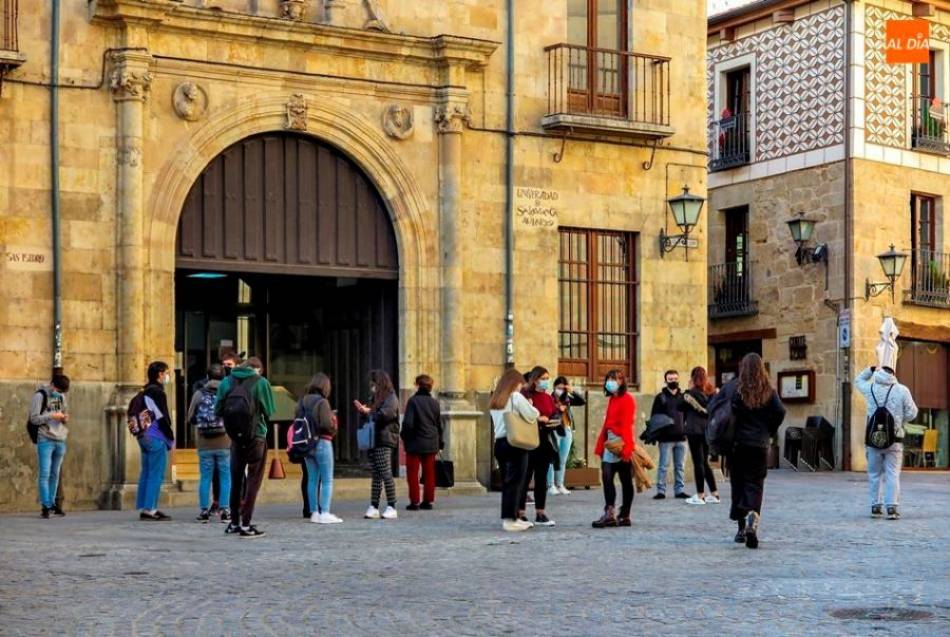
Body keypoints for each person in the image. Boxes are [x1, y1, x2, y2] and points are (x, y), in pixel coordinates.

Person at [708, 353, 785, 549]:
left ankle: (741, 529)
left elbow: (713, 406)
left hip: (736, 444)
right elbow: (780, 412)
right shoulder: (768, 390)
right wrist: (768, 430)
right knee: (755, 484)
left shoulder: (733, 388)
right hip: (758, 444)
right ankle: (752, 517)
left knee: (738, 484)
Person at [216, 357, 275, 538]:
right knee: (253, 481)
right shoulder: (261, 383)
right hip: (256, 436)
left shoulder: (226, 381)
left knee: (236, 479)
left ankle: (234, 522)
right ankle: (246, 524)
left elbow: (218, 410)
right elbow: (269, 411)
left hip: (235, 437)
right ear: (257, 369)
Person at [855, 365, 917, 520]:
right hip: (895, 440)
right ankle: (892, 508)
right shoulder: (902, 390)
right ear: (893, 374)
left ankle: (875, 507)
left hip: (874, 440)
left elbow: (858, 380)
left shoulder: (870, 389)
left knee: (874, 474)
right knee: (892, 473)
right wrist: (899, 419)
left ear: (879, 373)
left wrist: (870, 369)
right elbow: (913, 413)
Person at [489, 368, 540, 532]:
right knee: (516, 482)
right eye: (520, 384)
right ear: (515, 383)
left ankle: (514, 517)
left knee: (508, 483)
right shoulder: (516, 397)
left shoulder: (496, 399)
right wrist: (530, 405)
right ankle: (510, 519)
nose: (521, 387)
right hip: (515, 443)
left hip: (500, 444)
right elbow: (534, 414)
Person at [187, 363, 231, 523]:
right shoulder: (227, 392)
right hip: (224, 441)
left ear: (207, 376)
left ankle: (204, 511)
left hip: (204, 442)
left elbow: (190, 417)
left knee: (205, 477)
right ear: (224, 376)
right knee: (226, 477)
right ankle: (225, 510)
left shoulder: (199, 393)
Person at [592, 369, 636, 528]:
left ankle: (625, 515)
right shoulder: (612, 399)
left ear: (622, 382)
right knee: (607, 477)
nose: (612, 381)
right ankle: (610, 512)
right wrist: (601, 444)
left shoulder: (628, 399)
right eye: (609, 378)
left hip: (621, 442)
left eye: (616, 379)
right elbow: (607, 424)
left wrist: (627, 448)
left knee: (625, 480)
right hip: (610, 441)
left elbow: (626, 425)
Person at [518, 366, 561, 527]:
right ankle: (520, 512)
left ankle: (540, 512)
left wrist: (553, 420)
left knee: (541, 478)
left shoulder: (548, 398)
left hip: (544, 440)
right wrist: (538, 419)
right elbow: (523, 415)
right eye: (543, 378)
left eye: (547, 378)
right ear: (535, 380)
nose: (546, 381)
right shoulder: (525, 395)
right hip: (528, 440)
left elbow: (554, 413)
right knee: (525, 477)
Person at [355, 369, 400, 520]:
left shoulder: (391, 397)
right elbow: (372, 416)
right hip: (374, 439)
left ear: (379, 383)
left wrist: (369, 412)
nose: (371, 387)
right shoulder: (375, 398)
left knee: (386, 472)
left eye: (373, 384)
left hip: (384, 439)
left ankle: (391, 506)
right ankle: (374, 506)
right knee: (376, 474)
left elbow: (386, 414)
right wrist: (363, 411)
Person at [299, 373, 341, 524]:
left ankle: (314, 512)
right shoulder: (322, 402)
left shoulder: (303, 401)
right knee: (327, 479)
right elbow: (326, 424)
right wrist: (333, 420)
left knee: (312, 479)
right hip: (322, 442)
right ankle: (325, 512)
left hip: (307, 444)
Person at [137, 361, 175, 521]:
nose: (167, 376)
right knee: (156, 474)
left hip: (144, 436)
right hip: (156, 436)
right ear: (160, 374)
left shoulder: (144, 391)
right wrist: (170, 437)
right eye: (166, 372)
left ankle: (145, 506)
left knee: (146, 472)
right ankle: (151, 508)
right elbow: (162, 417)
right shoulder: (158, 392)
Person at [30, 373, 70, 518]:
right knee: (45, 473)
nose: (60, 394)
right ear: (52, 385)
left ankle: (52, 503)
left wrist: (64, 418)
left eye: (62, 392)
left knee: (55, 473)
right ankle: (45, 506)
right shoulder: (40, 396)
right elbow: (34, 419)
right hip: (45, 438)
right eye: (58, 391)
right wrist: (51, 416)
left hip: (60, 438)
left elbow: (63, 412)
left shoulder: (60, 396)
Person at [401, 374, 443, 511]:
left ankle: (414, 502)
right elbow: (438, 425)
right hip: (431, 442)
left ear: (417, 385)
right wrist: (440, 442)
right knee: (429, 473)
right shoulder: (435, 403)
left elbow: (408, 424)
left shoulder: (413, 401)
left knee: (413, 473)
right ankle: (428, 501)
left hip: (415, 443)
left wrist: (404, 436)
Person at [680, 366, 720, 505]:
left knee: (698, 462)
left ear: (692, 377)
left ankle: (700, 495)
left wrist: (687, 389)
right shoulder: (712, 392)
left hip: (694, 430)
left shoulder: (691, 393)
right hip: (707, 430)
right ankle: (715, 494)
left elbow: (680, 406)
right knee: (704, 462)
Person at [651, 370, 690, 500]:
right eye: (670, 379)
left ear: (678, 380)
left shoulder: (684, 397)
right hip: (665, 439)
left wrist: (686, 429)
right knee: (663, 466)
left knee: (680, 467)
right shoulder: (660, 397)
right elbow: (654, 418)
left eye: (675, 379)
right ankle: (661, 491)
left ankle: (679, 490)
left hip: (682, 438)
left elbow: (688, 416)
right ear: (666, 381)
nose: (673, 381)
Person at [546, 376, 585, 496]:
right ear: (554, 387)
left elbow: (582, 401)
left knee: (562, 459)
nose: (561, 390)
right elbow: (547, 413)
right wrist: (557, 409)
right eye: (559, 388)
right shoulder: (549, 399)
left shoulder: (567, 399)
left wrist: (571, 391)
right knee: (553, 459)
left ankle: (560, 484)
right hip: (554, 430)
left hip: (566, 430)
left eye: (563, 388)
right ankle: (550, 485)